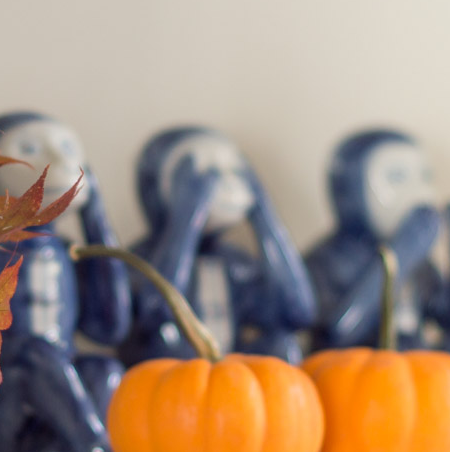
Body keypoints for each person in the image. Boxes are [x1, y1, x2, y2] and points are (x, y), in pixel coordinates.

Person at [0, 112, 133, 452]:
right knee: (36, 350)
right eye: (30, 149)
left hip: (56, 409)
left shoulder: (67, 253)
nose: (59, 160)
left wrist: (95, 217)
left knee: (104, 368)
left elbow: (111, 329)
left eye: (68, 149)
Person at [123, 126, 317, 365]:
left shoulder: (236, 264)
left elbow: (297, 313)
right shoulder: (140, 257)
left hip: (230, 382)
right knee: (166, 337)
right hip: (173, 383)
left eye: (232, 171)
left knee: (282, 344)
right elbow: (156, 311)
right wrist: (188, 216)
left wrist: (263, 213)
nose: (220, 182)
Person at [306, 129, 450, 367]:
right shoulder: (328, 261)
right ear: (352, 188)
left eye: (424, 177)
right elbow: (336, 333)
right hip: (358, 373)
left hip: (412, 371)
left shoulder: (421, 264)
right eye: (398, 178)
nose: (419, 193)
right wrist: (401, 254)